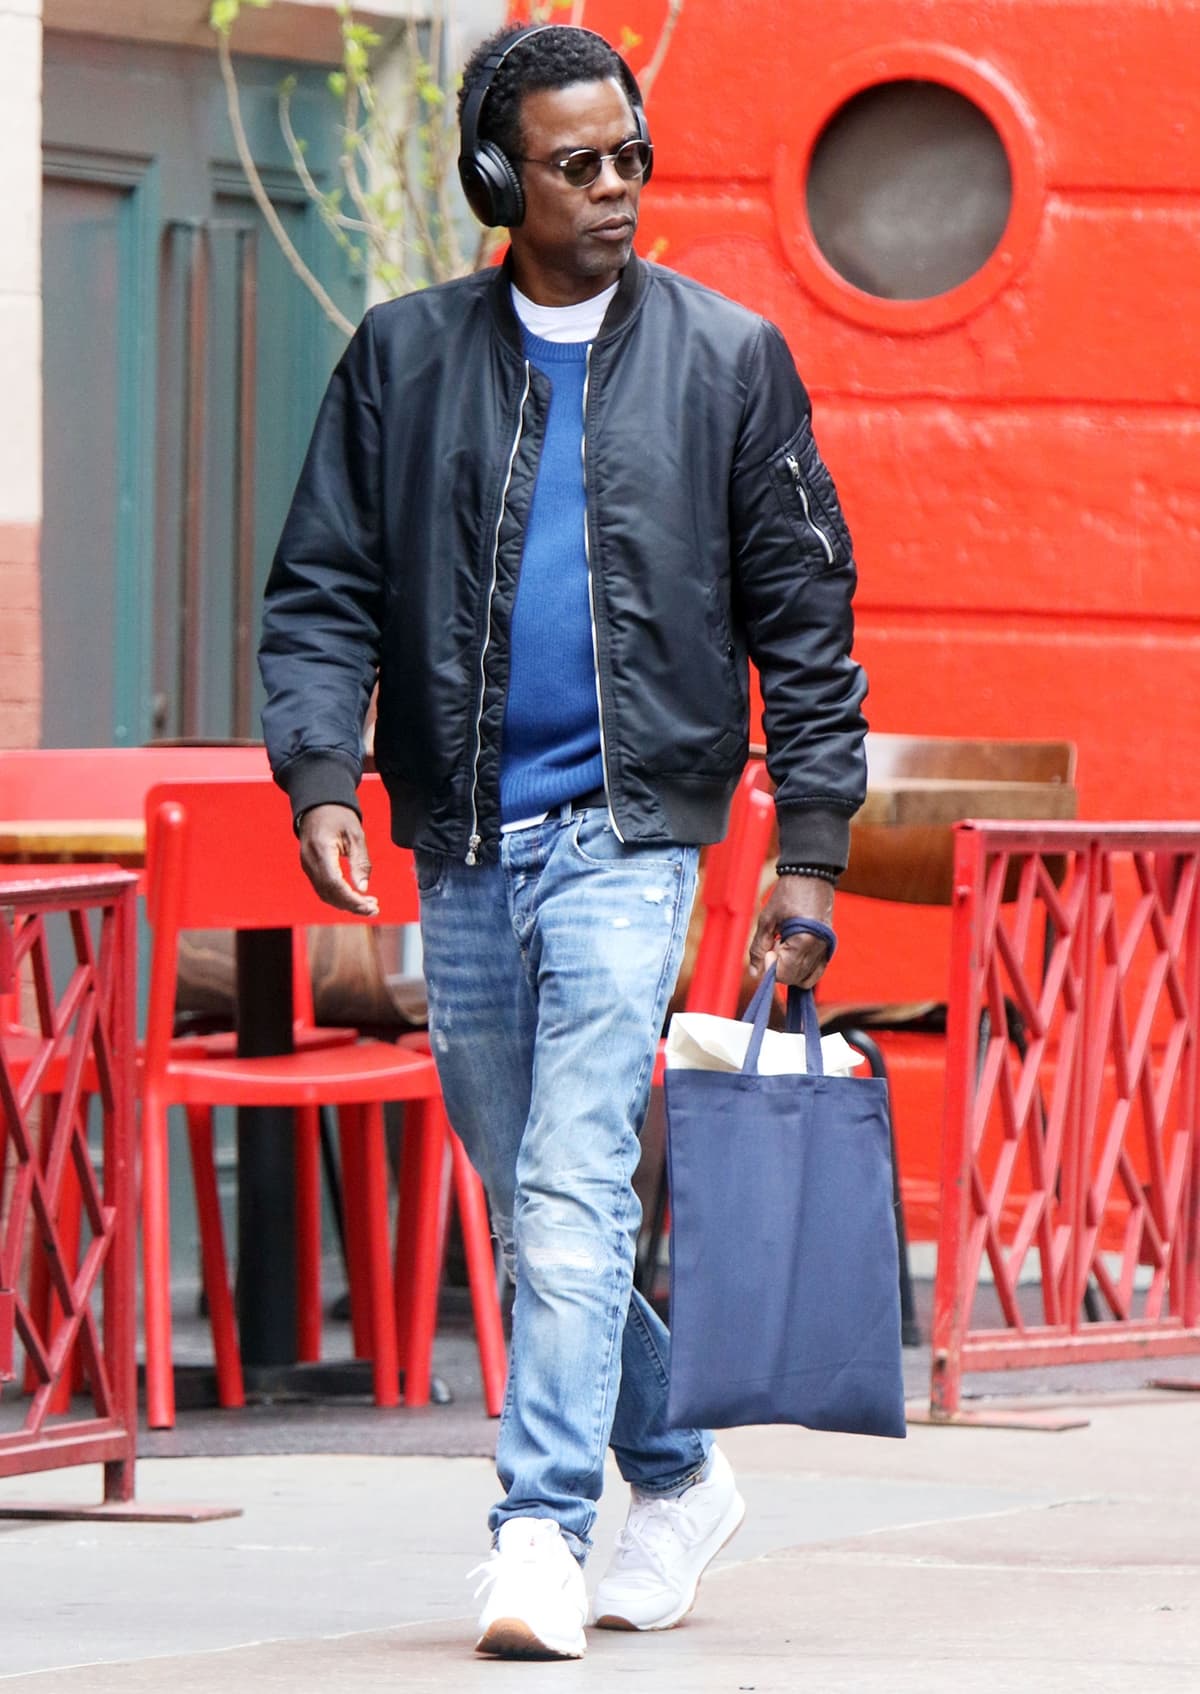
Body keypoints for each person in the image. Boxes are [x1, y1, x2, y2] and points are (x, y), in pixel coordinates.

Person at [258, 22, 868, 1662]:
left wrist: (808, 848)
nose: (614, 189)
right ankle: (671, 1467)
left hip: (632, 832)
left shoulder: (730, 360)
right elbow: (320, 586)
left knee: (576, 1170)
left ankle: (535, 1529)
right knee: (534, 1197)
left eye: (629, 157)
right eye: (574, 164)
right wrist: (322, 772)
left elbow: (808, 622)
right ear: (494, 180)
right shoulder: (398, 357)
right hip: (460, 838)